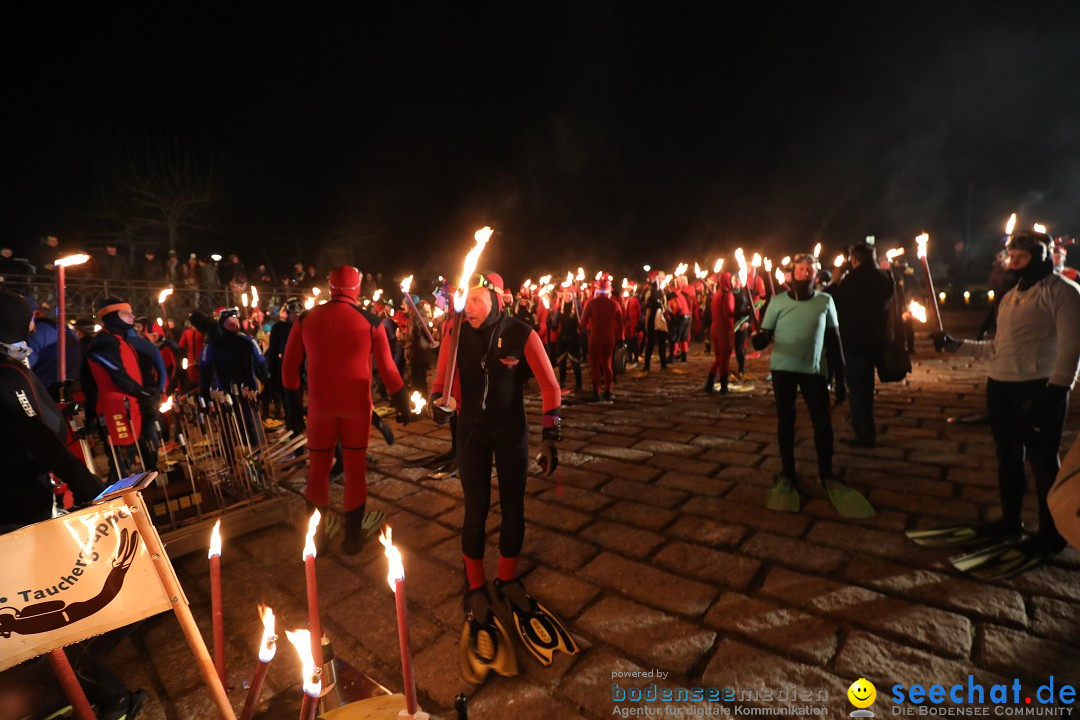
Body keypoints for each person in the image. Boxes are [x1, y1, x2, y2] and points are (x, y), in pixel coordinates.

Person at [429, 271, 575, 683]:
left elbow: (550, 386)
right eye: (465, 299)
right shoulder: (453, 331)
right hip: (471, 436)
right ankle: (475, 588)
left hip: (513, 435)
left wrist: (551, 437)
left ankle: (507, 578)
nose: (468, 307)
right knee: (476, 511)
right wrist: (437, 405)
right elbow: (442, 384)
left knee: (514, 509)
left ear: (497, 299)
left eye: (477, 299)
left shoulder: (520, 332)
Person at [932, 229, 1080, 576]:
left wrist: (1057, 390)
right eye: (1011, 258)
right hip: (1001, 384)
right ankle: (1011, 521)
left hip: (1038, 385)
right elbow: (997, 347)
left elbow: (1073, 347)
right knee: (1008, 455)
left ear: (1042, 256)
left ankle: (1052, 531)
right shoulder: (1010, 297)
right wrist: (957, 345)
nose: (1014, 265)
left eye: (1021, 258)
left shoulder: (1065, 294)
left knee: (1043, 459)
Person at [282, 266, 411, 554]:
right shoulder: (371, 322)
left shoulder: (305, 319)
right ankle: (352, 538)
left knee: (317, 472)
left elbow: (288, 368)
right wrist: (404, 406)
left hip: (319, 409)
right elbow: (389, 371)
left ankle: (316, 538)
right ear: (357, 287)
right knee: (355, 472)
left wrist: (291, 409)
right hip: (356, 408)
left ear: (331, 286)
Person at [752, 254, 871, 518]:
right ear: (791, 274)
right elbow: (764, 339)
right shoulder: (777, 302)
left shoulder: (825, 301)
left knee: (823, 422)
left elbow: (835, 341)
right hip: (783, 370)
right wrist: (758, 340)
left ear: (815, 275)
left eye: (810, 269)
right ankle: (787, 472)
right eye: (800, 269)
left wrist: (842, 380)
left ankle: (826, 473)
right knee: (786, 419)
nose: (805, 272)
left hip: (814, 370)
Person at [828, 243, 894, 448]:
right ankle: (867, 430)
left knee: (858, 390)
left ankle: (864, 435)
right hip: (877, 339)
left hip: (856, 340)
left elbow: (833, 301)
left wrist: (835, 282)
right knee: (866, 388)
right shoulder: (884, 277)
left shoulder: (854, 279)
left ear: (855, 259)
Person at [84, 298, 157, 483]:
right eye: (126, 313)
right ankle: (113, 502)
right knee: (121, 461)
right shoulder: (104, 342)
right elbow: (119, 376)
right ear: (111, 317)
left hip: (129, 406)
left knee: (131, 456)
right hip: (116, 409)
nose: (132, 316)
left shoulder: (119, 340)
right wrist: (145, 394)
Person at [580, 275, 622, 401]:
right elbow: (621, 324)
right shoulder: (615, 304)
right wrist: (622, 337)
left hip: (595, 338)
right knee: (607, 364)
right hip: (610, 337)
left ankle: (597, 391)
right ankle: (608, 391)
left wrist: (579, 326)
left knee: (595, 365)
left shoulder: (591, 303)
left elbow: (583, 324)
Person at [266, 297, 301, 419]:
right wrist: (272, 368)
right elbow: (273, 350)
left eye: (298, 313)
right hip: (285, 366)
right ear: (288, 313)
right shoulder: (279, 328)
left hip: (302, 368)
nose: (296, 315)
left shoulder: (305, 326)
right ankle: (292, 423)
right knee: (288, 397)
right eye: (293, 313)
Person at [706, 272, 736, 394]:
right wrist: (743, 313)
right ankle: (724, 387)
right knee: (724, 359)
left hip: (715, 329)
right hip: (724, 330)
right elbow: (728, 313)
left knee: (718, 358)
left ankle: (709, 383)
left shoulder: (717, 294)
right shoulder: (727, 294)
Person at [551, 290, 583, 393]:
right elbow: (555, 324)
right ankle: (562, 382)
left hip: (573, 337)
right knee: (562, 361)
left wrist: (580, 324)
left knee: (575, 362)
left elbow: (581, 321)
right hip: (562, 337)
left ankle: (579, 383)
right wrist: (553, 325)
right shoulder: (560, 308)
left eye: (569, 295)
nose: (567, 297)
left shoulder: (577, 309)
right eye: (566, 295)